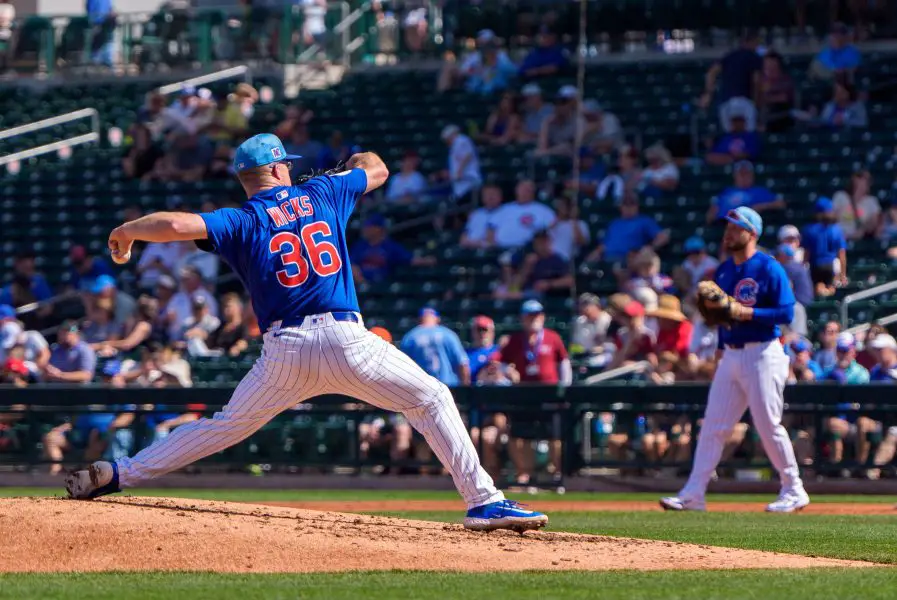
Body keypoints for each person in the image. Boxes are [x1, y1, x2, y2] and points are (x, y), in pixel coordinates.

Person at [65, 133, 546, 532]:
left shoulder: (239, 219)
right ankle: (483, 500)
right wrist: (351, 163)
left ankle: (117, 474)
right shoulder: (323, 193)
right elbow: (377, 168)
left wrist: (126, 231)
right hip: (347, 341)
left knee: (223, 427)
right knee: (432, 398)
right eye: (287, 166)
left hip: (285, 352)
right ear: (277, 170)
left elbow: (172, 223)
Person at [660, 206, 809, 513]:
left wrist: (747, 312)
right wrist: (719, 344)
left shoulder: (769, 267)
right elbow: (722, 318)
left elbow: (786, 313)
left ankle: (794, 489)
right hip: (732, 354)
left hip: (764, 353)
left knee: (768, 425)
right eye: (727, 227)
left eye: (735, 227)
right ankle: (694, 493)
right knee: (714, 425)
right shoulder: (725, 271)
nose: (728, 232)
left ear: (752, 233)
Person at [699, 30, 762, 132]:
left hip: (726, 102)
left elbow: (711, 73)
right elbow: (756, 80)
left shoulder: (729, 56)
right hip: (745, 100)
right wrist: (757, 102)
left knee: (730, 137)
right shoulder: (753, 57)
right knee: (748, 137)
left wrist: (708, 93)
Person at [586, 195, 668, 263]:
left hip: (628, 259)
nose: (629, 207)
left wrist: (648, 248)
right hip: (607, 259)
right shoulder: (615, 223)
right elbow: (605, 244)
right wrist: (592, 257)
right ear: (621, 207)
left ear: (637, 206)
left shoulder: (644, 221)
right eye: (626, 204)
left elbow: (663, 237)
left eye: (632, 204)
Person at [400, 308, 470, 387]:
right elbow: (462, 364)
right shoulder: (448, 334)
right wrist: (465, 387)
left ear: (419, 319)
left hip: (421, 388)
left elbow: (403, 368)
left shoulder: (410, 337)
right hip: (448, 386)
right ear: (437, 319)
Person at [486, 179, 556, 249]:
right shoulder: (504, 209)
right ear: (516, 190)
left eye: (528, 189)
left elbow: (552, 228)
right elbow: (491, 228)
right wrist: (492, 246)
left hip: (528, 251)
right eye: (522, 189)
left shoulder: (543, 210)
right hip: (501, 249)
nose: (524, 192)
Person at [802, 197, 848, 297]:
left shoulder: (809, 229)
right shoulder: (836, 229)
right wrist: (843, 275)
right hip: (830, 265)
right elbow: (841, 254)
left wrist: (803, 266)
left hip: (815, 265)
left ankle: (822, 291)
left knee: (818, 288)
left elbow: (806, 254)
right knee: (832, 288)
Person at [832, 169, 881, 240]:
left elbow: (874, 222)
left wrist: (862, 230)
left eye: (867, 180)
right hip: (840, 237)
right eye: (863, 179)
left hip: (860, 238)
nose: (866, 183)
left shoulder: (871, 201)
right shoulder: (840, 196)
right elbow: (832, 217)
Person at [438, 125, 482, 200]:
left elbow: (468, 155)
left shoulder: (461, 140)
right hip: (460, 183)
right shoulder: (454, 146)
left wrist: (459, 171)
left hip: (468, 179)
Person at [758, 51, 795, 132]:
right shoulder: (760, 81)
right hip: (762, 119)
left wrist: (766, 97)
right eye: (767, 67)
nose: (769, 70)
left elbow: (783, 98)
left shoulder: (785, 80)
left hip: (781, 119)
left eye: (773, 67)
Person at [460, 184, 503, 248]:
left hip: (488, 250)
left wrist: (478, 243)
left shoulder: (505, 212)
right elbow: (465, 234)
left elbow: (492, 241)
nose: (490, 197)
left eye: (493, 194)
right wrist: (465, 242)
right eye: (487, 195)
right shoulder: (476, 213)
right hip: (469, 248)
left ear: (500, 196)